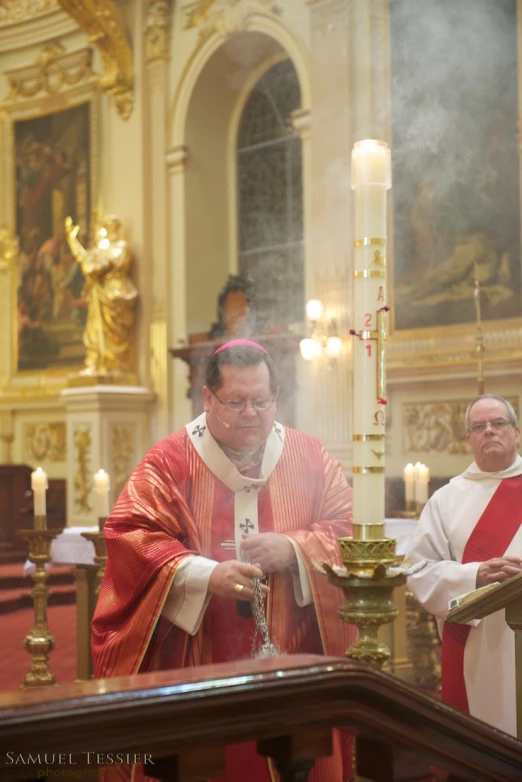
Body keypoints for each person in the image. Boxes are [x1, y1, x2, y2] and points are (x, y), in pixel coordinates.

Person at [92, 339, 355, 781]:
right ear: (208, 398)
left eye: (262, 400)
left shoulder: (310, 456)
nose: (251, 412)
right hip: (199, 656)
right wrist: (205, 574)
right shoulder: (168, 462)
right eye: (235, 401)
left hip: (292, 649)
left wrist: (293, 549)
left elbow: (349, 528)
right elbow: (131, 537)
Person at [406, 393, 522, 736]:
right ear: (468, 438)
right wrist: (474, 575)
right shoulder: (446, 500)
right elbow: (419, 571)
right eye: (479, 426)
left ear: (516, 432)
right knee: (481, 745)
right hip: (474, 642)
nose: (490, 431)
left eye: (498, 423)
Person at [64, 215, 137, 376]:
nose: (108, 232)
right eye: (106, 228)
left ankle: (114, 364)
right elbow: (85, 258)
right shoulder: (102, 250)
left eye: (110, 228)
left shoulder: (121, 247)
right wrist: (72, 239)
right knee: (94, 329)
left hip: (115, 293)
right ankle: (95, 362)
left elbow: (101, 266)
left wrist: (94, 268)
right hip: (99, 294)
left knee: (113, 333)